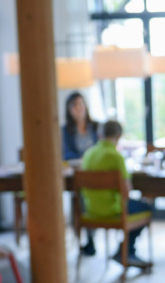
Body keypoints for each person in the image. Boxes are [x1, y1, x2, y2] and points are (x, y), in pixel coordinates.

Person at [80, 119, 152, 268]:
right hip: (113, 210)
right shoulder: (116, 157)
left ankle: (124, 251)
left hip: (90, 210)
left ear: (100, 134)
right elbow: (126, 193)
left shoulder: (88, 154)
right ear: (119, 136)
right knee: (146, 207)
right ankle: (126, 250)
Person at [61, 91, 100, 256]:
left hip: (96, 171)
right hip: (76, 171)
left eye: (81, 104)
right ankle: (82, 239)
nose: (78, 108)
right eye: (74, 105)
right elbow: (66, 153)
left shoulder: (96, 127)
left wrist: (91, 158)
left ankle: (91, 237)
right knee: (77, 199)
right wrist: (82, 158)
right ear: (69, 109)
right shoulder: (66, 130)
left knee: (91, 198)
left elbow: (101, 148)